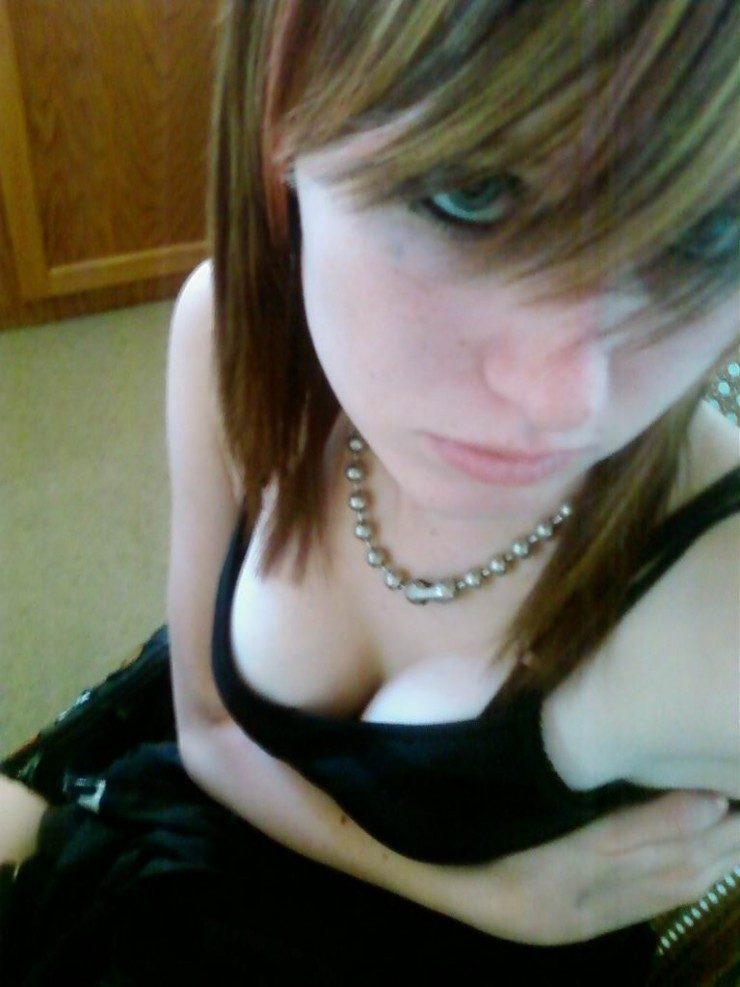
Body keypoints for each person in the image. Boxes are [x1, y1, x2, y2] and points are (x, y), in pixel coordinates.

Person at [1, 1, 739, 983]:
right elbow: (206, 727)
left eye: (710, 233)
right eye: (472, 193)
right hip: (189, 861)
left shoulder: (716, 597)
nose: (566, 401)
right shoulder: (231, 335)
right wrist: (490, 898)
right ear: (281, 108)